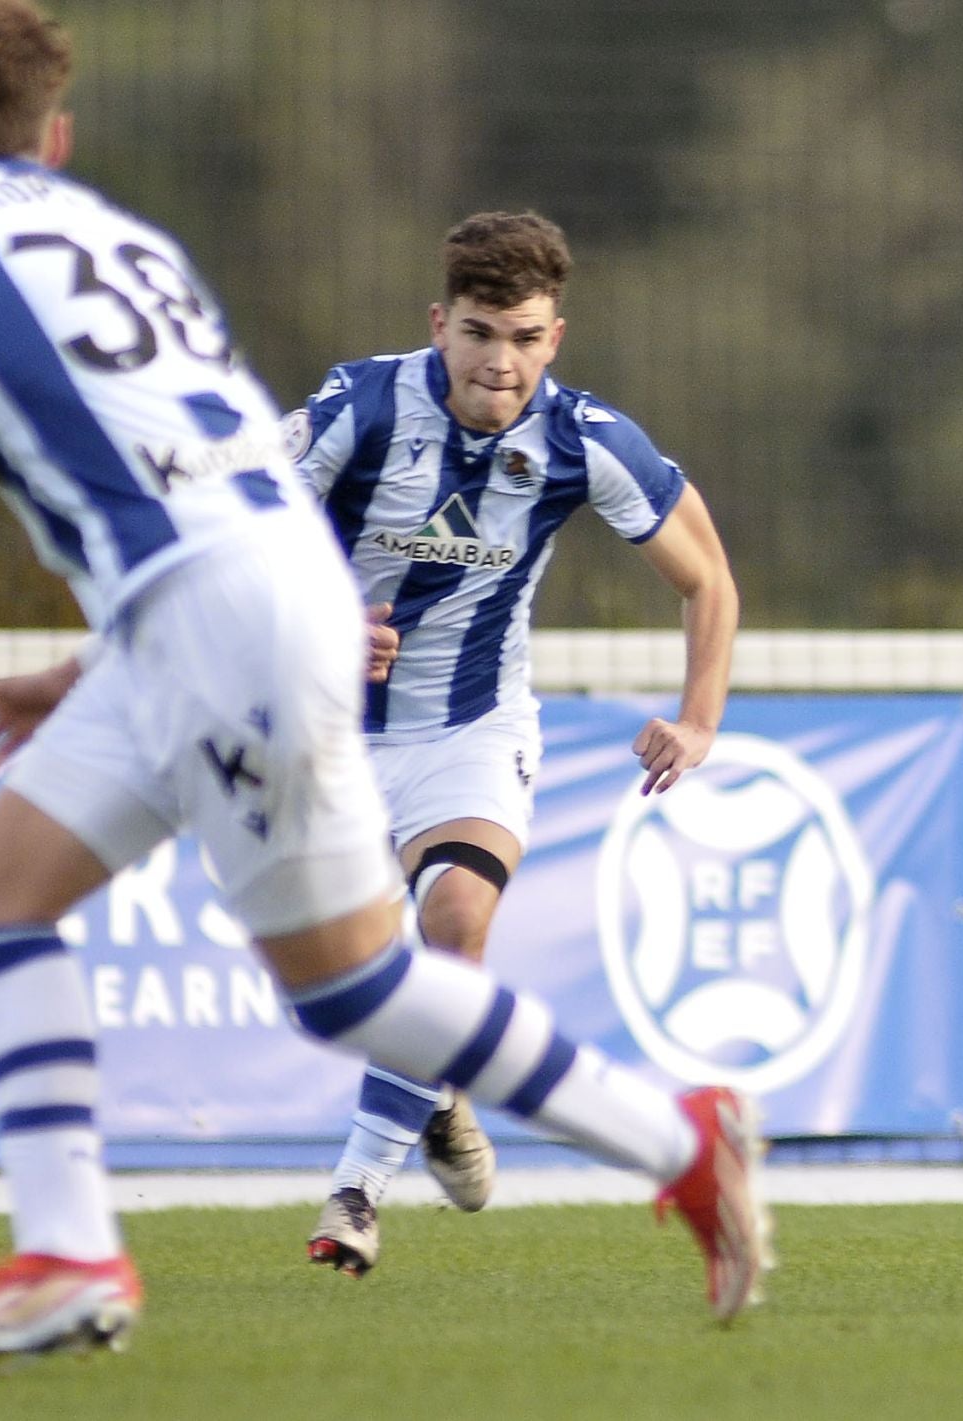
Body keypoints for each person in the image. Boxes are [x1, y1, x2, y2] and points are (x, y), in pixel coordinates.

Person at [0, 0, 767, 1368]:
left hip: (227, 627)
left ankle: (677, 1142)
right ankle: (70, 1252)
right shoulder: (132, 247)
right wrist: (93, 665)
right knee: (3, 898)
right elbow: (223, 486)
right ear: (59, 142)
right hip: (234, 611)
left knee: (351, 981)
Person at [285, 210, 739, 1276]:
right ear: (440, 323)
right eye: (482, 332)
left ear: (556, 337)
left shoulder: (584, 440)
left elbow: (707, 574)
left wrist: (701, 717)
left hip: (472, 729)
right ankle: (436, 1085)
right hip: (322, 735)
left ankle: (355, 1189)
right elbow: (224, 527)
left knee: (454, 917)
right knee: (358, 979)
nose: (502, 362)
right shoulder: (356, 407)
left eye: (526, 337)